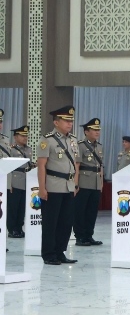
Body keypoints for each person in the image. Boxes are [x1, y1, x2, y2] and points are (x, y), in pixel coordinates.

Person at [37, 106, 80, 265]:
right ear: (56, 122)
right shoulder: (47, 140)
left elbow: (75, 163)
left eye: (71, 121)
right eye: (66, 121)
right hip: (53, 186)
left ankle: (60, 251)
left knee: (66, 222)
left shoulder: (73, 140)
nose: (70, 124)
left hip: (68, 186)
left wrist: (75, 184)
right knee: (51, 222)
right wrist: (42, 188)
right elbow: (41, 165)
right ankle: (48, 254)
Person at [73, 118, 105, 247]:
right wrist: (76, 184)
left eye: (98, 130)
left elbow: (100, 166)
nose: (97, 132)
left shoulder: (99, 146)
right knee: (80, 211)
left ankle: (89, 235)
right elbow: (77, 165)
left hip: (96, 182)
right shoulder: (80, 145)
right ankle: (80, 236)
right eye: (94, 130)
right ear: (86, 132)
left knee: (92, 211)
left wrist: (101, 183)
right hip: (83, 182)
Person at [6, 125, 32, 239]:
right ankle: (12, 230)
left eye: (26, 135)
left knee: (22, 208)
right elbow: (8, 167)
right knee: (13, 207)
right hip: (15, 181)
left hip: (26, 180)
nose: (25, 138)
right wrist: (9, 183)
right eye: (22, 135)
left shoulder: (29, 149)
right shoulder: (11, 149)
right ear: (15, 137)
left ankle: (19, 228)